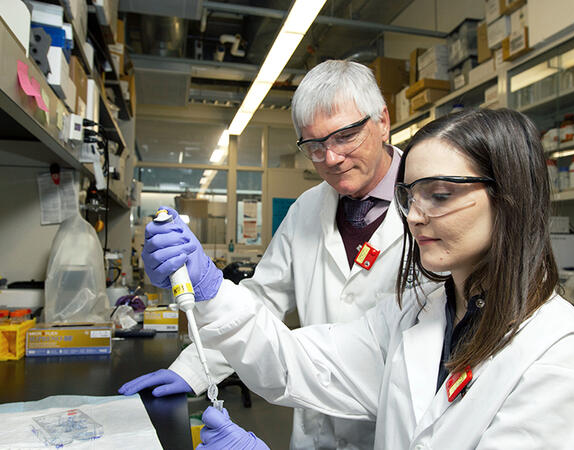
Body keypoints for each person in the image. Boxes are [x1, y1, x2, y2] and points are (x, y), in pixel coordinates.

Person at [186, 108, 574, 449]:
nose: (414, 216)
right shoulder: (417, 311)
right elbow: (306, 364)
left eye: (438, 195)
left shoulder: (561, 350)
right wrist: (212, 292)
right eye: (410, 195)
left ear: (508, 197)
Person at [120, 60, 421, 449]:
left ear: (382, 120)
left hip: (397, 430)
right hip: (316, 428)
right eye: (314, 145)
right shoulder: (307, 209)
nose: (330, 158)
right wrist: (194, 368)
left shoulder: (432, 208)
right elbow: (259, 303)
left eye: (345, 136)